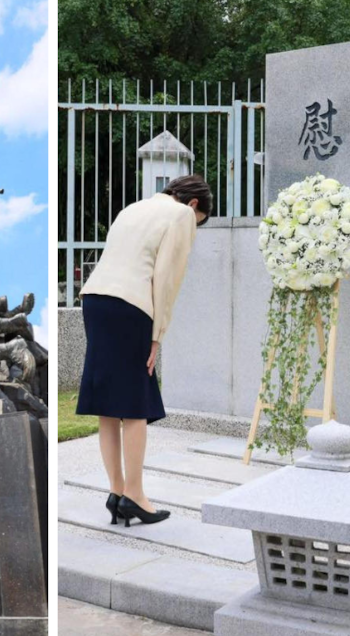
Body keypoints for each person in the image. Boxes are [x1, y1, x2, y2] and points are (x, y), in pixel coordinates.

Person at [76, 175, 212, 527]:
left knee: (108, 403)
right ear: (194, 204)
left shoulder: (133, 208)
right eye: (199, 224)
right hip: (131, 305)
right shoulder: (181, 215)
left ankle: (116, 491)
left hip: (95, 300)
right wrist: (157, 335)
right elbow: (166, 276)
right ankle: (135, 496)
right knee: (134, 400)